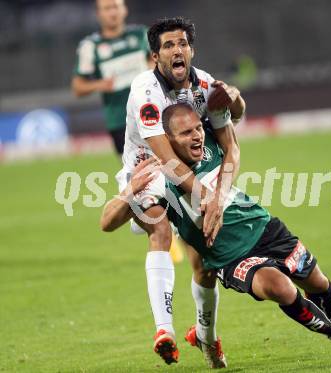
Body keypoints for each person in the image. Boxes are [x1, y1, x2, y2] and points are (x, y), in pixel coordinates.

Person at [103, 103, 331, 368]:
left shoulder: (211, 144)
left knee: (318, 282)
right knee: (281, 288)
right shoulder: (156, 176)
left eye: (197, 129)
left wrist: (232, 99)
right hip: (230, 257)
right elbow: (107, 221)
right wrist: (130, 191)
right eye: (186, 133)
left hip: (265, 228)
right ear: (167, 140)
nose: (196, 136)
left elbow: (233, 125)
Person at [101, 17, 245, 367]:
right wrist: (208, 197)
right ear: (155, 57)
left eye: (182, 43)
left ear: (191, 50)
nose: (176, 50)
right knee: (160, 228)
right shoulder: (145, 91)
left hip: (192, 173)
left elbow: (232, 125)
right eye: (168, 45)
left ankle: (205, 336)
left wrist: (236, 100)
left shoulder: (206, 85)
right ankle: (163, 330)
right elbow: (164, 157)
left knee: (205, 264)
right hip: (148, 170)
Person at [71, 0, 153, 156]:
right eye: (107, 8)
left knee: (170, 168)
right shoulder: (91, 46)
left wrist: (153, 67)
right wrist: (99, 85)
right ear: (98, 14)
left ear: (124, 10)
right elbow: (77, 87)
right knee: (139, 174)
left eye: (116, 7)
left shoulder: (142, 35)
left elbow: (162, 63)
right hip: (120, 121)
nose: (113, 12)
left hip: (152, 110)